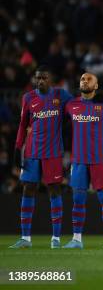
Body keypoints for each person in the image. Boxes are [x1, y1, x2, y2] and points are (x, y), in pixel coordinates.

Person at [10, 66, 72, 249]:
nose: (41, 81)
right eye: (38, 78)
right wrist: (17, 147)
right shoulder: (28, 98)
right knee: (28, 189)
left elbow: (76, 109)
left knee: (54, 189)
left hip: (53, 152)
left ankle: (56, 239)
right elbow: (22, 125)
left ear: (51, 79)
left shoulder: (61, 95)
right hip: (32, 152)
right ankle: (25, 238)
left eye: (44, 77)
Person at [62, 73, 103, 249]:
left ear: (96, 86)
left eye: (89, 79)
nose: (84, 81)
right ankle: (76, 240)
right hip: (78, 160)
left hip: (99, 160)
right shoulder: (71, 105)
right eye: (82, 79)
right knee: (78, 200)